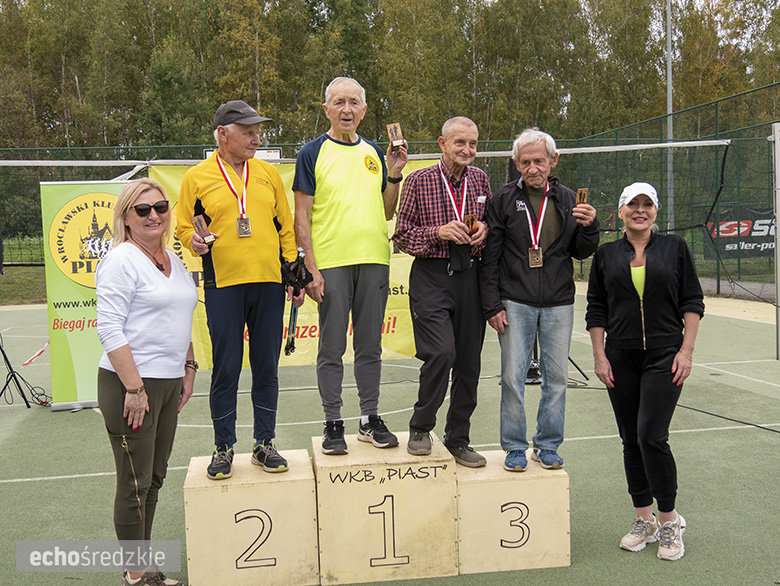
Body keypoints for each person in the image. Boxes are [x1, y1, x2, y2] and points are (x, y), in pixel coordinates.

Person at [177, 100, 305, 480]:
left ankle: (264, 443)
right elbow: (184, 226)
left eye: (257, 131)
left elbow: (284, 228)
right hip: (224, 285)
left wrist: (293, 275)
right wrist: (194, 242)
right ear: (223, 134)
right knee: (227, 369)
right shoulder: (197, 178)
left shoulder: (267, 174)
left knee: (266, 367)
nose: (256, 138)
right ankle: (223, 447)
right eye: (248, 131)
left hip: (268, 284)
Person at [586, 182, 703, 561]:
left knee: (651, 435)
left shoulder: (675, 249)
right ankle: (644, 519)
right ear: (620, 212)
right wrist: (600, 356)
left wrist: (686, 351)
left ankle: (669, 521)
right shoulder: (605, 255)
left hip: (664, 355)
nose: (640, 210)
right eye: (632, 204)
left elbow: (692, 301)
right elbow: (596, 309)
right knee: (630, 439)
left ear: (656, 211)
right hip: (620, 358)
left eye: (646, 204)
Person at [293, 77, 408, 454]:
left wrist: (393, 173)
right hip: (332, 264)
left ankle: (369, 419)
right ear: (326, 109)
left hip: (374, 259)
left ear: (364, 109)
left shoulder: (376, 152)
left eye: (354, 102)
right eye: (339, 102)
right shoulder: (311, 153)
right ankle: (332, 422)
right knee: (330, 347)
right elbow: (301, 217)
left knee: (370, 346)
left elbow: (387, 210)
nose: (347, 109)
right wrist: (311, 267)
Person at [96, 178, 198, 586]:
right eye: (142, 210)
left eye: (160, 207)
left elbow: (181, 316)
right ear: (126, 217)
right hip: (130, 386)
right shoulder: (122, 259)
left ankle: (141, 567)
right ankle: (137, 574)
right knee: (135, 482)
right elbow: (109, 328)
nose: (154, 215)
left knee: (154, 477)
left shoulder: (172, 257)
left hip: (169, 380)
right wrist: (135, 389)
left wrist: (188, 369)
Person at [480, 127, 599, 472]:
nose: (533, 168)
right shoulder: (502, 200)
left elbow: (580, 251)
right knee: (512, 378)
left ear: (553, 161)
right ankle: (515, 447)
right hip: (514, 301)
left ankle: (547, 445)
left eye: (540, 161)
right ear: (517, 164)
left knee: (557, 379)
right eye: (526, 162)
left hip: (559, 302)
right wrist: (492, 305)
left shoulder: (568, 200)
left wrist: (590, 228)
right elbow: (490, 258)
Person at [392, 116, 491, 468]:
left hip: (471, 276)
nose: (467, 150)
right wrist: (438, 233)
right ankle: (420, 427)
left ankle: (458, 437)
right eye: (460, 143)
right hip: (432, 277)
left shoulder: (480, 179)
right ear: (442, 143)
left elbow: (488, 223)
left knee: (469, 362)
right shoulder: (419, 180)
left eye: (473, 144)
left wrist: (483, 232)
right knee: (442, 354)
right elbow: (402, 236)